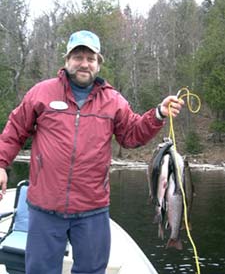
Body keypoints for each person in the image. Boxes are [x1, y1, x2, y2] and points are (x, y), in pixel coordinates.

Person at [0, 30, 184, 274]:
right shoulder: (41, 93)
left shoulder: (113, 101)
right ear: (67, 61)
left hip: (92, 210)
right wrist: (1, 164)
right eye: (78, 57)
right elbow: (15, 130)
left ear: (99, 63)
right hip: (45, 207)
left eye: (90, 58)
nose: (84, 63)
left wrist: (158, 113)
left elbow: (131, 135)